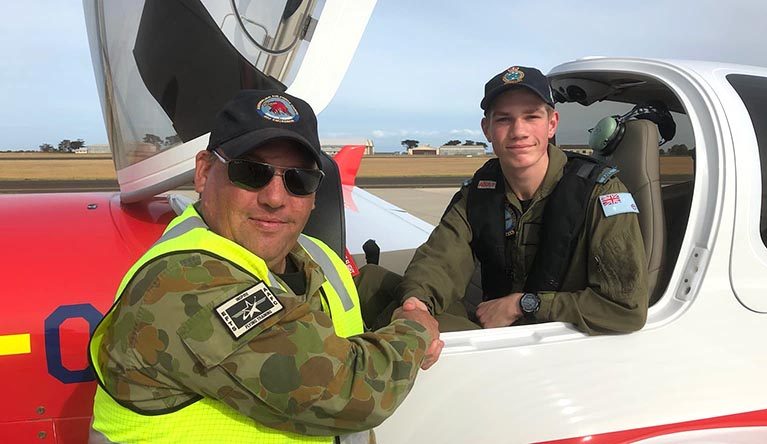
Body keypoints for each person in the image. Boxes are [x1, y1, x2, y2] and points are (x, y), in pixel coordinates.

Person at [88, 89, 444, 443]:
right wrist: (415, 329)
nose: (275, 198)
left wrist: (413, 297)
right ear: (204, 172)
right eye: (251, 172)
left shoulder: (316, 256)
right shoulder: (186, 279)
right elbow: (352, 391)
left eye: (299, 180)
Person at [396, 66, 649, 334]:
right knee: (374, 285)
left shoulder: (601, 193)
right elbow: (439, 259)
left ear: (552, 124)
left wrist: (526, 304)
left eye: (531, 117)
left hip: (561, 340)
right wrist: (416, 305)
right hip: (500, 335)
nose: (519, 131)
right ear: (487, 129)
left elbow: (626, 309)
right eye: (504, 119)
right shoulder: (480, 193)